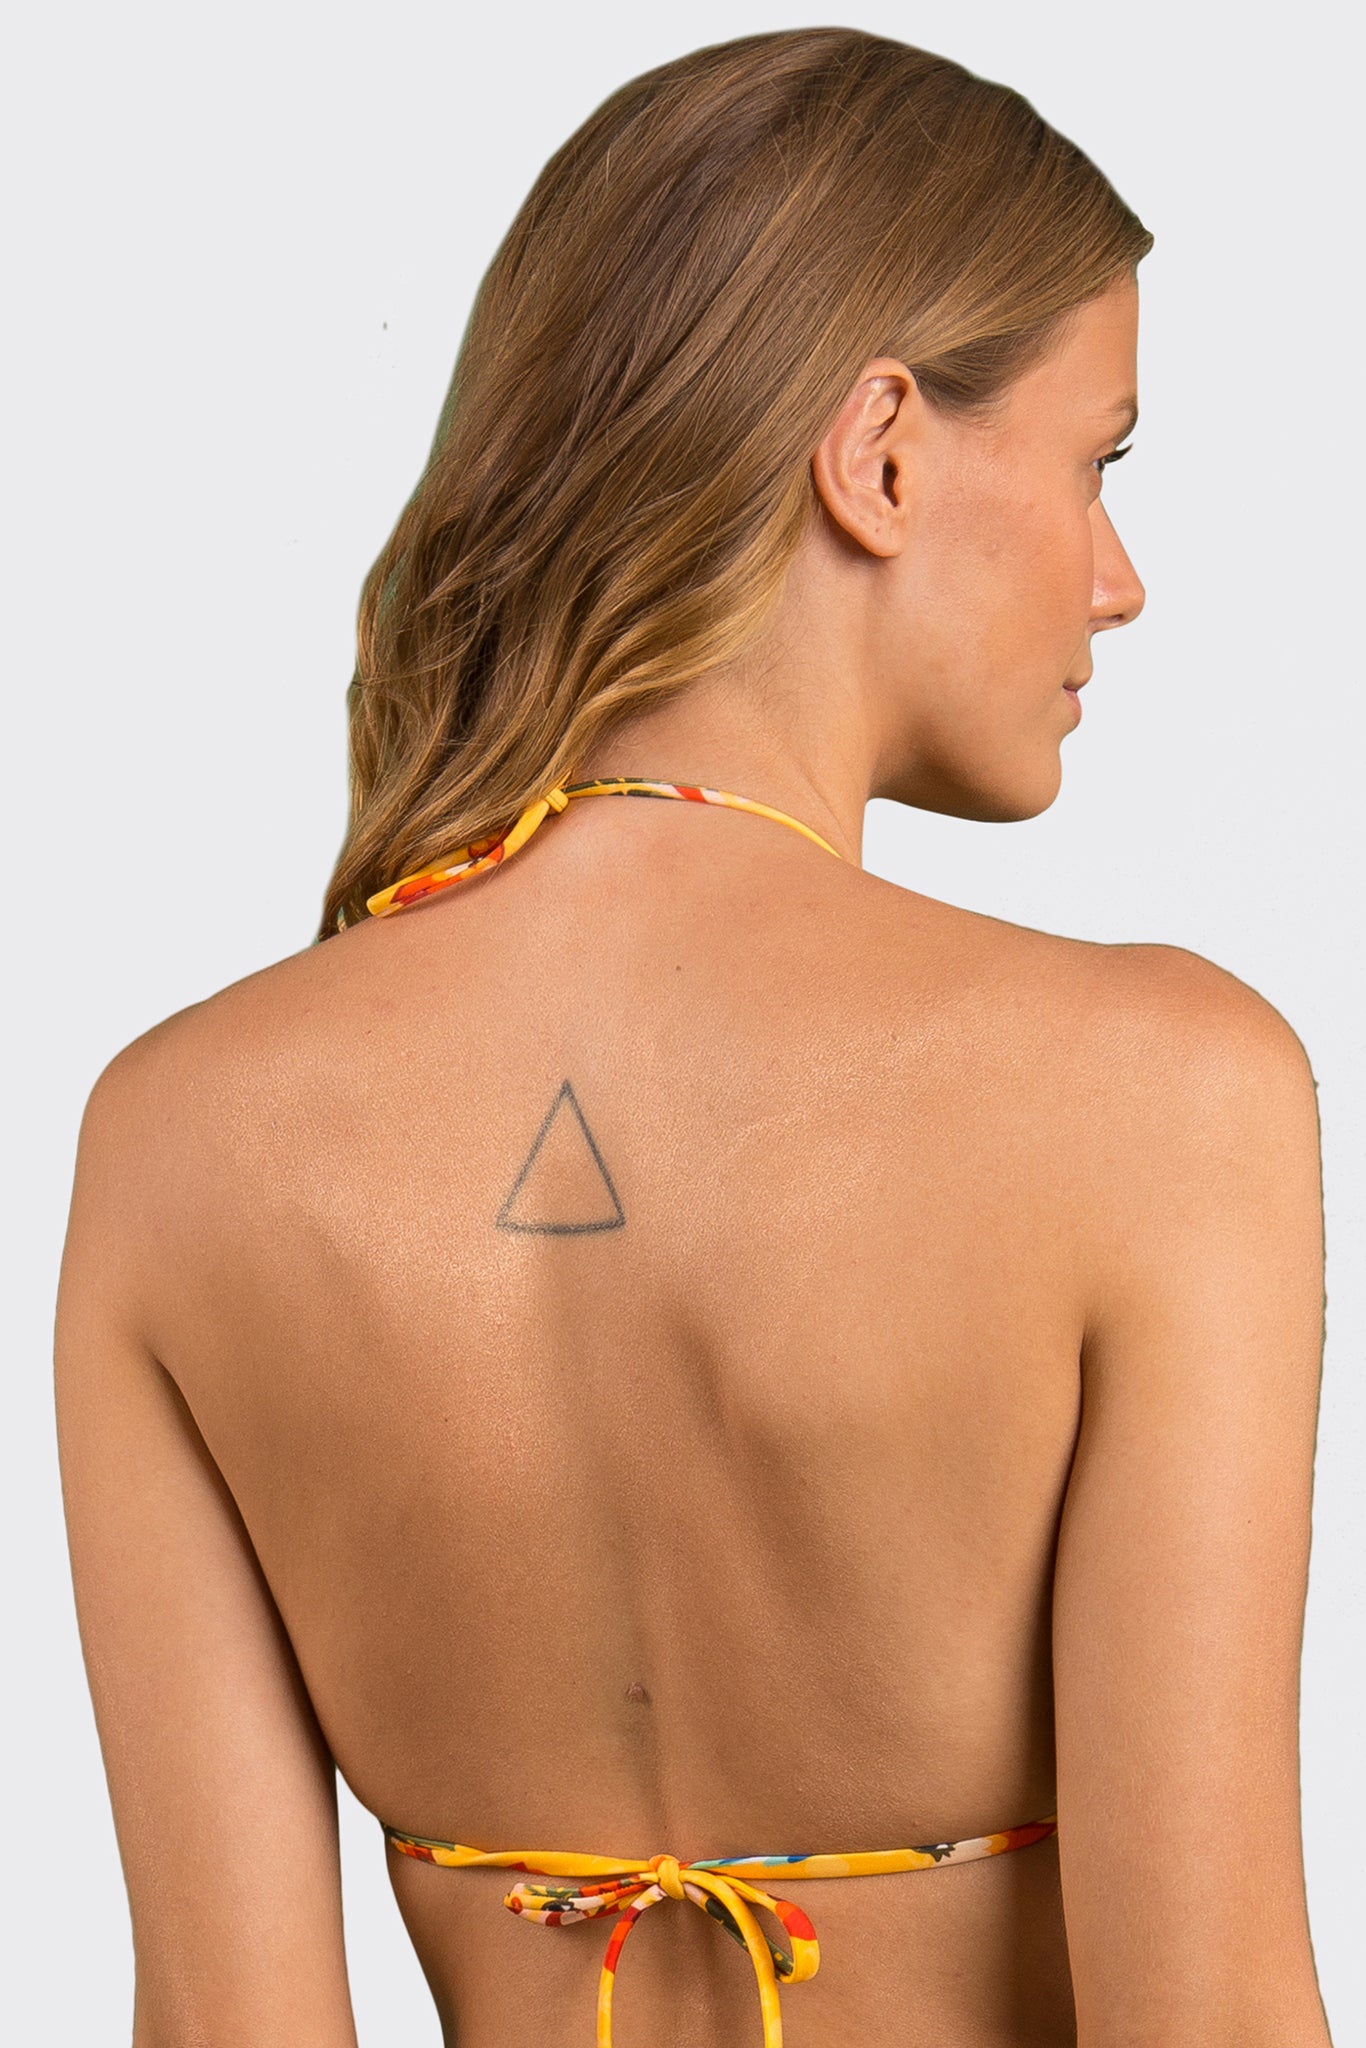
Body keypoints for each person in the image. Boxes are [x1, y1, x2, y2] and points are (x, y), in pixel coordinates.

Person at [54, 27, 1333, 2048]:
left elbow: (223, 2024)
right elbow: (1209, 2017)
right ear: (879, 450)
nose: (1117, 582)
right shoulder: (1161, 1095)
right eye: (1098, 460)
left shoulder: (175, 1135)